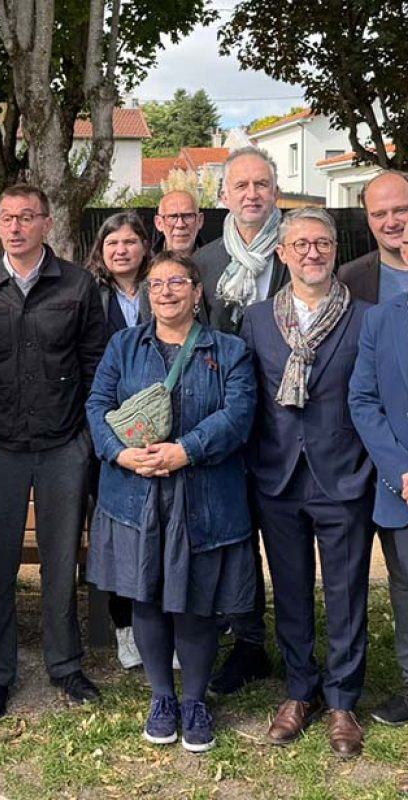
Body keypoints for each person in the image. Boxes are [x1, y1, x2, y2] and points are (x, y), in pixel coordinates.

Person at [86, 250, 256, 753]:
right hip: (136, 493)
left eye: (177, 281)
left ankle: (196, 700)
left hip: (202, 496)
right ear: (146, 294)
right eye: (156, 283)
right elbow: (98, 406)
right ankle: (162, 696)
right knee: (147, 595)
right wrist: (120, 455)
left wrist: (187, 450)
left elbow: (239, 413)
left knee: (197, 601)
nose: (165, 291)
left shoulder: (228, 350)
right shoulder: (123, 346)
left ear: (197, 291)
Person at [0, 183, 106, 721]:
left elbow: (97, 367)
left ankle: (65, 666)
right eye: (6, 218)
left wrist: (88, 437)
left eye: (26, 217)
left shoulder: (78, 285)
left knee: (61, 561)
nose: (16, 227)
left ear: (46, 223)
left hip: (63, 445)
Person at [241, 208, 373, 758]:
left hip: (342, 473)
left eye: (321, 243)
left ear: (335, 250)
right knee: (290, 592)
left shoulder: (366, 318)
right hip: (277, 475)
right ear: (282, 253)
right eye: (300, 245)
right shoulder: (255, 319)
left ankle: (342, 699)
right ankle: (301, 691)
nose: (311, 253)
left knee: (345, 593)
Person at [194, 145, 288, 694]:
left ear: (274, 191)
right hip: (224, 424)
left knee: (283, 536)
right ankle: (248, 640)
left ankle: (293, 639)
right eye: (241, 186)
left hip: (283, 422)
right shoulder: (206, 262)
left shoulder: (296, 253)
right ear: (224, 196)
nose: (251, 195)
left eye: (261, 185)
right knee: (233, 537)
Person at [85, 211, 150, 669]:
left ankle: (158, 626)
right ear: (102, 252)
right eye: (113, 244)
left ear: (144, 247)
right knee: (116, 537)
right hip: (107, 431)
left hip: (160, 431)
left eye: (130, 241)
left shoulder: (163, 288)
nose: (122, 250)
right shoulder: (89, 295)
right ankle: (124, 628)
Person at [349, 237, 408, 730]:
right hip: (403, 483)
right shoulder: (381, 319)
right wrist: (400, 469)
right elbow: (363, 400)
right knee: (407, 588)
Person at [338, 171, 408, 303]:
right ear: (368, 219)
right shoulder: (350, 277)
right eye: (379, 214)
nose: (391, 223)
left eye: (401, 210)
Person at [153, 190, 205, 256]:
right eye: (172, 217)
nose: (180, 225)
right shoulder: (147, 263)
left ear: (200, 220)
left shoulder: (217, 261)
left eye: (187, 216)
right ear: (159, 223)